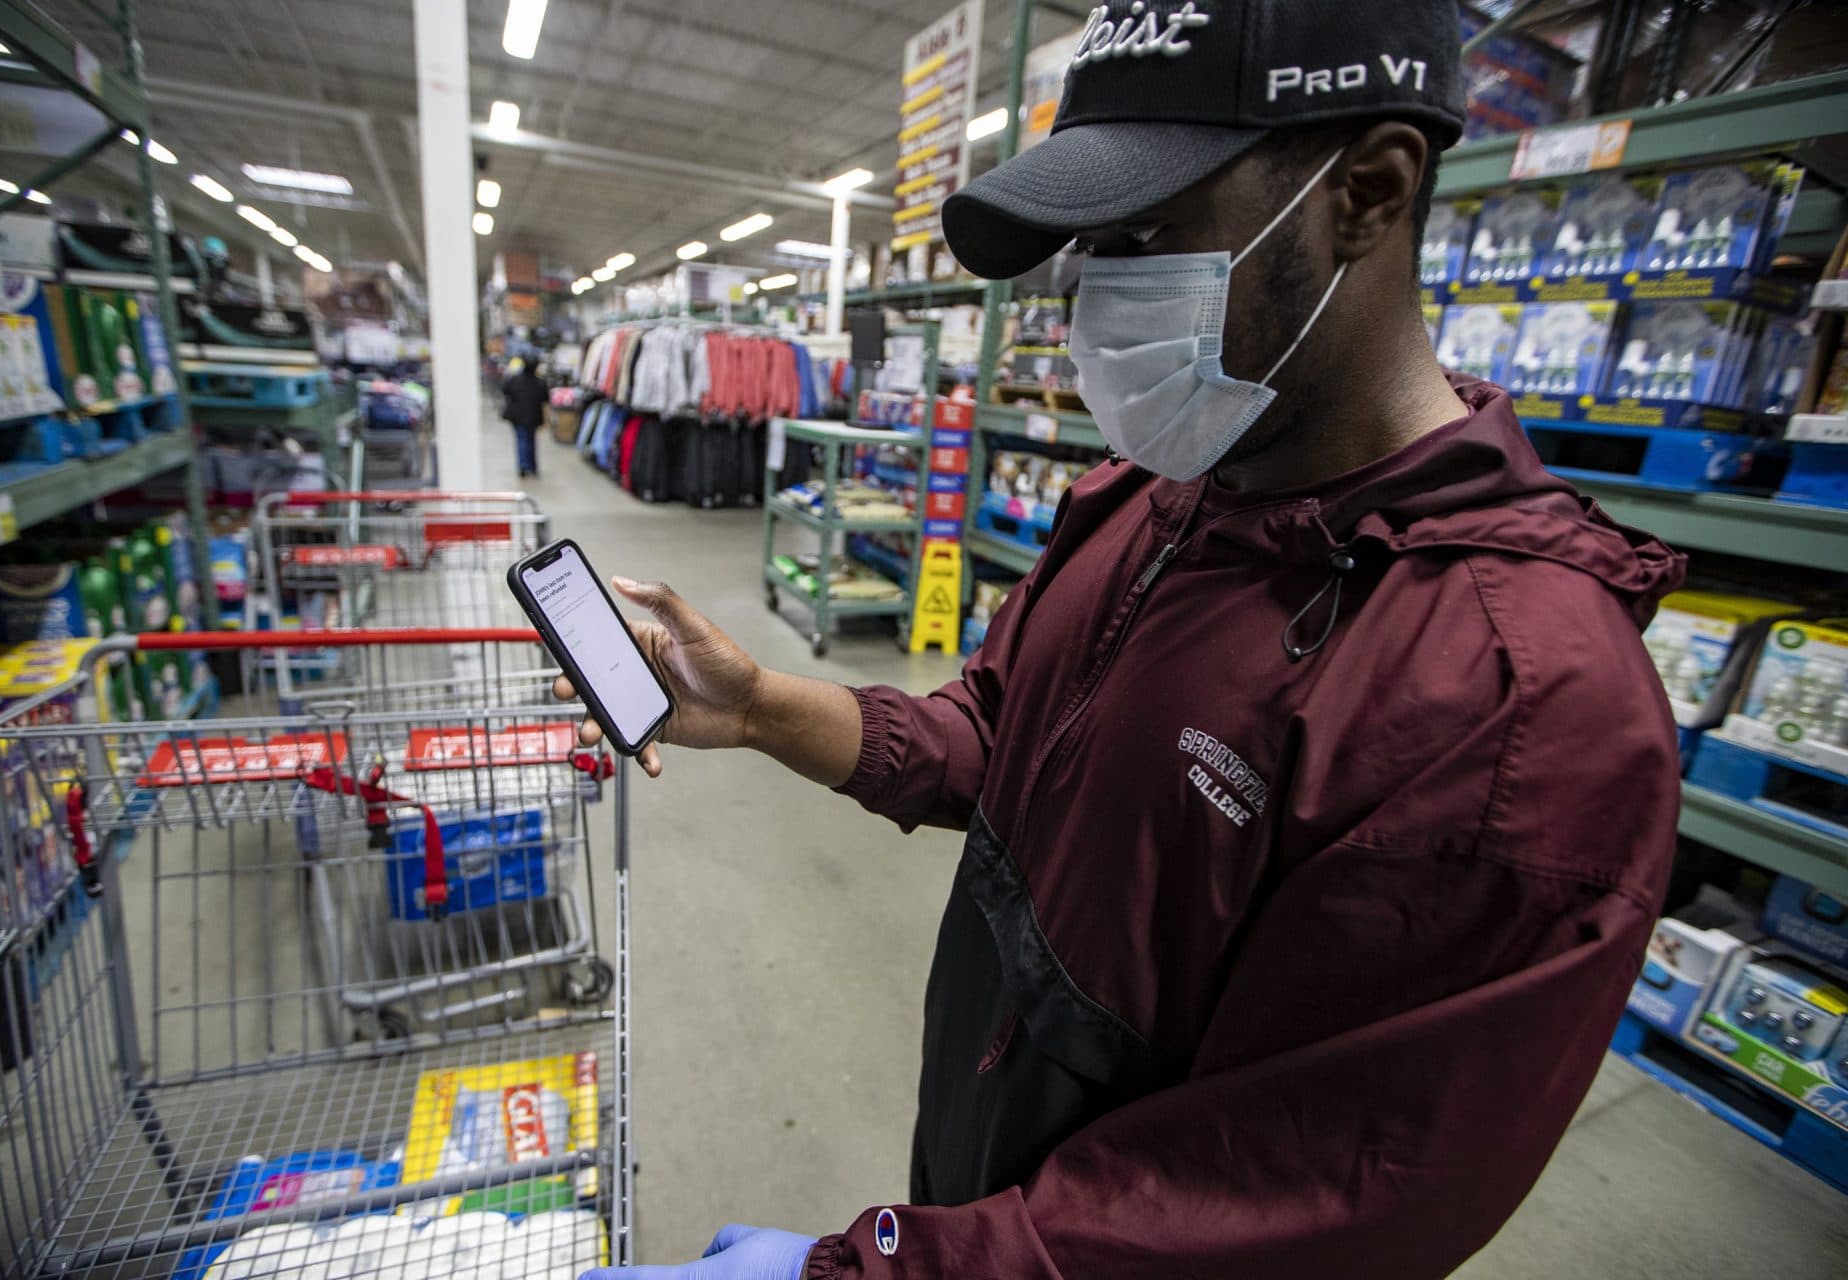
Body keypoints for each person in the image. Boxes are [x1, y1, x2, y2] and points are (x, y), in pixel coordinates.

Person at [576, 2, 1685, 1276]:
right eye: (1091, 247)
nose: (1103, 293)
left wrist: (867, 1271)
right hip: (981, 1184)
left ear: (1368, 191)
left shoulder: (1516, 709)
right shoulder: (1160, 499)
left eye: (1146, 233)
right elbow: (1004, 732)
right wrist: (765, 705)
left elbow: (1271, 1205)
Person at [502, 356, 548, 478]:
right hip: (533, 417)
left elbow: (505, 391)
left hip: (517, 416)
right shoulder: (540, 383)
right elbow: (545, 399)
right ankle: (532, 467)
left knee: (522, 440)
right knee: (531, 441)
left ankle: (523, 467)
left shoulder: (514, 380)